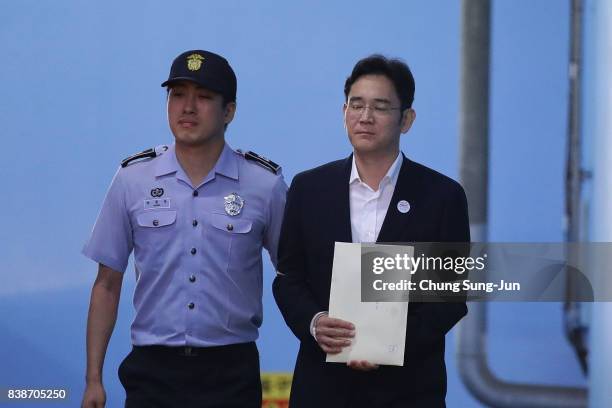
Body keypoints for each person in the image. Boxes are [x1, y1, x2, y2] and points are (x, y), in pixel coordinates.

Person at [81, 49, 287, 408]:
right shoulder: (133, 178)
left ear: (229, 111)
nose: (187, 107)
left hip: (231, 372)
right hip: (152, 372)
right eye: (177, 95)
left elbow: (294, 270)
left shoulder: (264, 184)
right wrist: (93, 379)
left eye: (203, 97)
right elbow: (107, 283)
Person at [272, 54, 470, 407]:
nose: (365, 117)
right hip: (323, 387)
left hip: (409, 389)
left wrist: (388, 344)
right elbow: (288, 277)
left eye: (380, 107)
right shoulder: (309, 188)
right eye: (356, 105)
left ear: (406, 119)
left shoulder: (442, 196)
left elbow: (450, 296)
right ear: (343, 111)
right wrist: (316, 323)